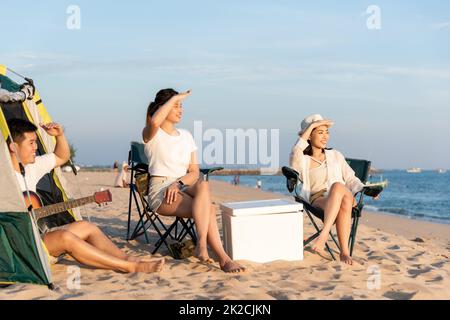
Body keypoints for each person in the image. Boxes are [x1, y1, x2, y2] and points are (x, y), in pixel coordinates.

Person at [7, 118, 164, 273]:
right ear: (13, 147)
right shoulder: (4, 178)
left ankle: (127, 258)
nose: (36, 147)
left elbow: (62, 156)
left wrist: (59, 135)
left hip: (38, 236)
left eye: (36, 142)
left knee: (86, 226)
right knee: (65, 237)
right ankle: (130, 267)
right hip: (19, 245)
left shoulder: (31, 167)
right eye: (31, 142)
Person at [142, 88, 245, 273]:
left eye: (181, 106)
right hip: (160, 192)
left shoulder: (187, 136)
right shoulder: (152, 134)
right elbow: (156, 120)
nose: (180, 110)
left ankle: (203, 245)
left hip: (182, 186)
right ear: (163, 108)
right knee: (209, 209)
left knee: (203, 183)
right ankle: (222, 257)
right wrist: (175, 97)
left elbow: (194, 172)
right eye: (176, 106)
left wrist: (178, 183)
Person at [289, 114, 376, 265]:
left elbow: (350, 178)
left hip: (345, 194)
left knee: (338, 186)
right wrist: (310, 127)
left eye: (327, 132)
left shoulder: (336, 155)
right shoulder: (302, 160)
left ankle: (324, 234)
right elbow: (296, 151)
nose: (325, 137)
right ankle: (344, 252)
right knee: (342, 202)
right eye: (320, 132)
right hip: (320, 200)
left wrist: (366, 189)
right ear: (308, 136)